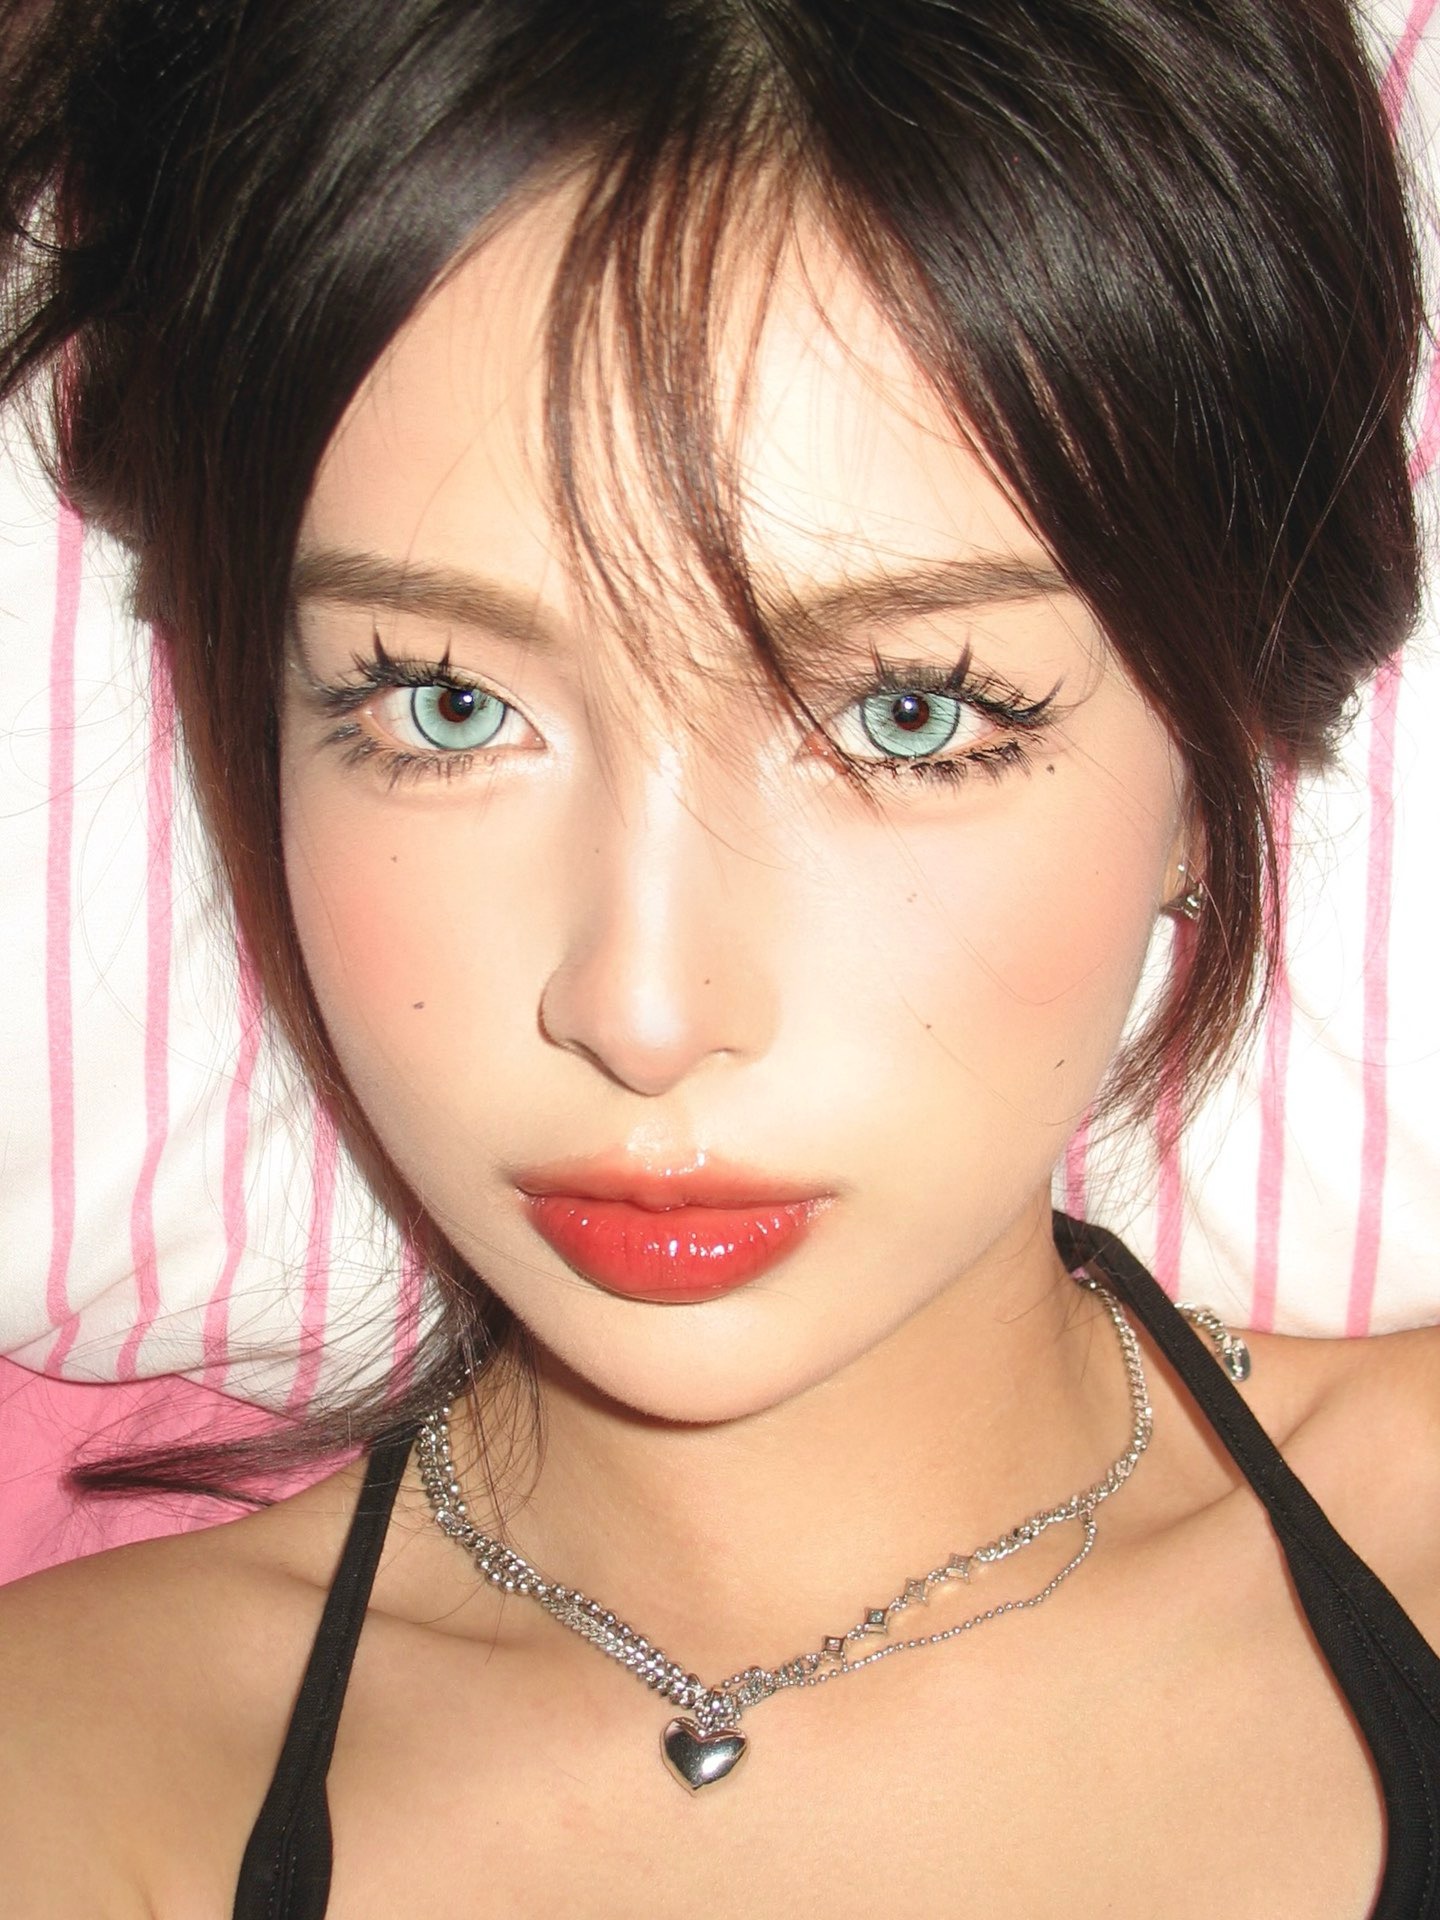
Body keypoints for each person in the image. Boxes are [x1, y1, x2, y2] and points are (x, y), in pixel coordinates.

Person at [1, 0, 1438, 1913]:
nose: (644, 1009)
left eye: (910, 714)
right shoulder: (61, 1781)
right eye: (440, 703)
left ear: (1217, 764)